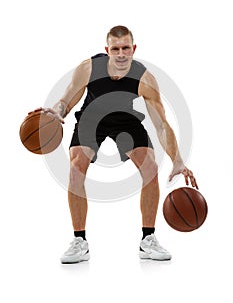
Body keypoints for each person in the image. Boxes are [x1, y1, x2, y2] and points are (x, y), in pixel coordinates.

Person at [39, 25, 198, 263]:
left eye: (126, 48)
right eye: (116, 49)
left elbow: (162, 125)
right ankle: (79, 241)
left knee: (151, 168)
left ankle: (148, 240)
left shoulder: (145, 79)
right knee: (75, 168)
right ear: (107, 50)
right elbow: (67, 100)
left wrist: (177, 160)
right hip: (92, 117)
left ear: (134, 49)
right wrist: (57, 111)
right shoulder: (89, 68)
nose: (121, 54)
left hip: (125, 120)